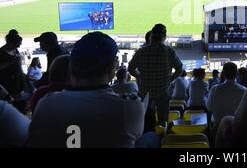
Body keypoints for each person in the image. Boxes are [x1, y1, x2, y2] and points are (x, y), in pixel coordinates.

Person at [27, 32, 158, 148]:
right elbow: (136, 136)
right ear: (112, 66)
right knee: (152, 137)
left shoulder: (46, 103)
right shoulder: (129, 107)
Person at [128, 24, 183, 128]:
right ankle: (162, 138)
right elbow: (179, 69)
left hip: (145, 92)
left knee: (147, 120)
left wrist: (139, 76)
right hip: (163, 91)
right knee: (163, 121)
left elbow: (130, 68)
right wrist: (171, 78)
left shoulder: (141, 51)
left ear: (151, 36)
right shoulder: (168, 51)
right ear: (164, 36)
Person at [207, 62, 246, 131]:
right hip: (237, 130)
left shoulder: (215, 89)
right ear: (236, 74)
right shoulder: (244, 90)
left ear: (223, 74)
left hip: (218, 128)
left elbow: (209, 108)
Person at [0, 30, 27, 100]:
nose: (18, 47)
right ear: (10, 43)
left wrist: (22, 86)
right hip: (6, 86)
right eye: (17, 45)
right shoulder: (1, 53)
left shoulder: (15, 50)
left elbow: (19, 69)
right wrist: (10, 61)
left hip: (17, 85)